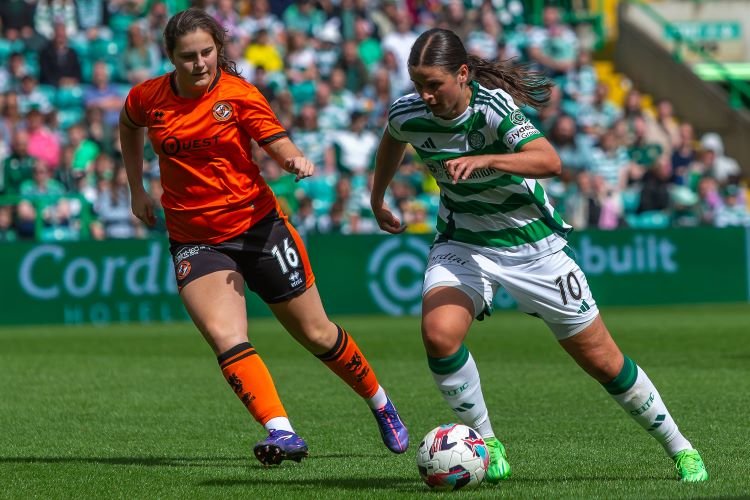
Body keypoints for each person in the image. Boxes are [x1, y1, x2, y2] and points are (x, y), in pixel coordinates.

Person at [370, 28, 707, 484]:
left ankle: (681, 448)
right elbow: (393, 137)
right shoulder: (408, 113)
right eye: (419, 84)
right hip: (464, 242)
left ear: (463, 74)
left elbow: (549, 161)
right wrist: (378, 198)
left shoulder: (491, 109)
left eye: (434, 84)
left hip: (534, 249)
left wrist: (489, 160)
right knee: (439, 335)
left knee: (604, 362)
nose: (425, 95)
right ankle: (487, 443)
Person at [119, 8, 408, 466]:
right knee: (223, 334)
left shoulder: (238, 94)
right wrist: (137, 187)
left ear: (219, 49)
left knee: (316, 332)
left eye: (207, 53)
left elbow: (276, 138)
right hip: (195, 237)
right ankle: (282, 430)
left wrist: (294, 160)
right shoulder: (147, 97)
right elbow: (129, 125)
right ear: (170, 58)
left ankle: (380, 403)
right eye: (187, 56)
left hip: (259, 227)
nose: (199, 64)